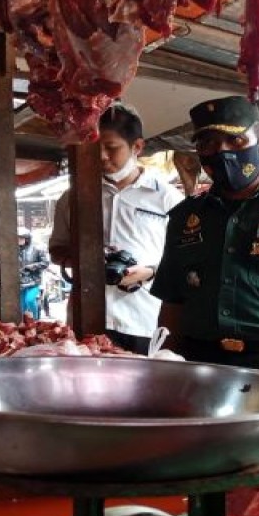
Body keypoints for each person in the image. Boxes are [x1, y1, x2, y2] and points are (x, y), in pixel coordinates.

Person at [152, 96, 259, 380]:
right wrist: (165, 358)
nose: (221, 151)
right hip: (199, 363)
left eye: (234, 141)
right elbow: (172, 299)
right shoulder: (184, 217)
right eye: (208, 143)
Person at [49, 104, 184, 353]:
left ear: (137, 147)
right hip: (85, 318)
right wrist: (82, 260)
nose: (101, 156)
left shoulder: (167, 198)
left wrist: (150, 271)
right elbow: (56, 249)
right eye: (94, 147)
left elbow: (182, 261)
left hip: (143, 321)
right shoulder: (73, 197)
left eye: (111, 148)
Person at [17, 227, 50, 320]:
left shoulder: (37, 248)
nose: (18, 240)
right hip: (20, 281)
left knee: (30, 300)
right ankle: (23, 324)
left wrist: (31, 266)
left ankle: (35, 321)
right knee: (21, 305)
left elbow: (45, 263)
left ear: (27, 238)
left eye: (21, 238)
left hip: (33, 280)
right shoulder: (15, 249)